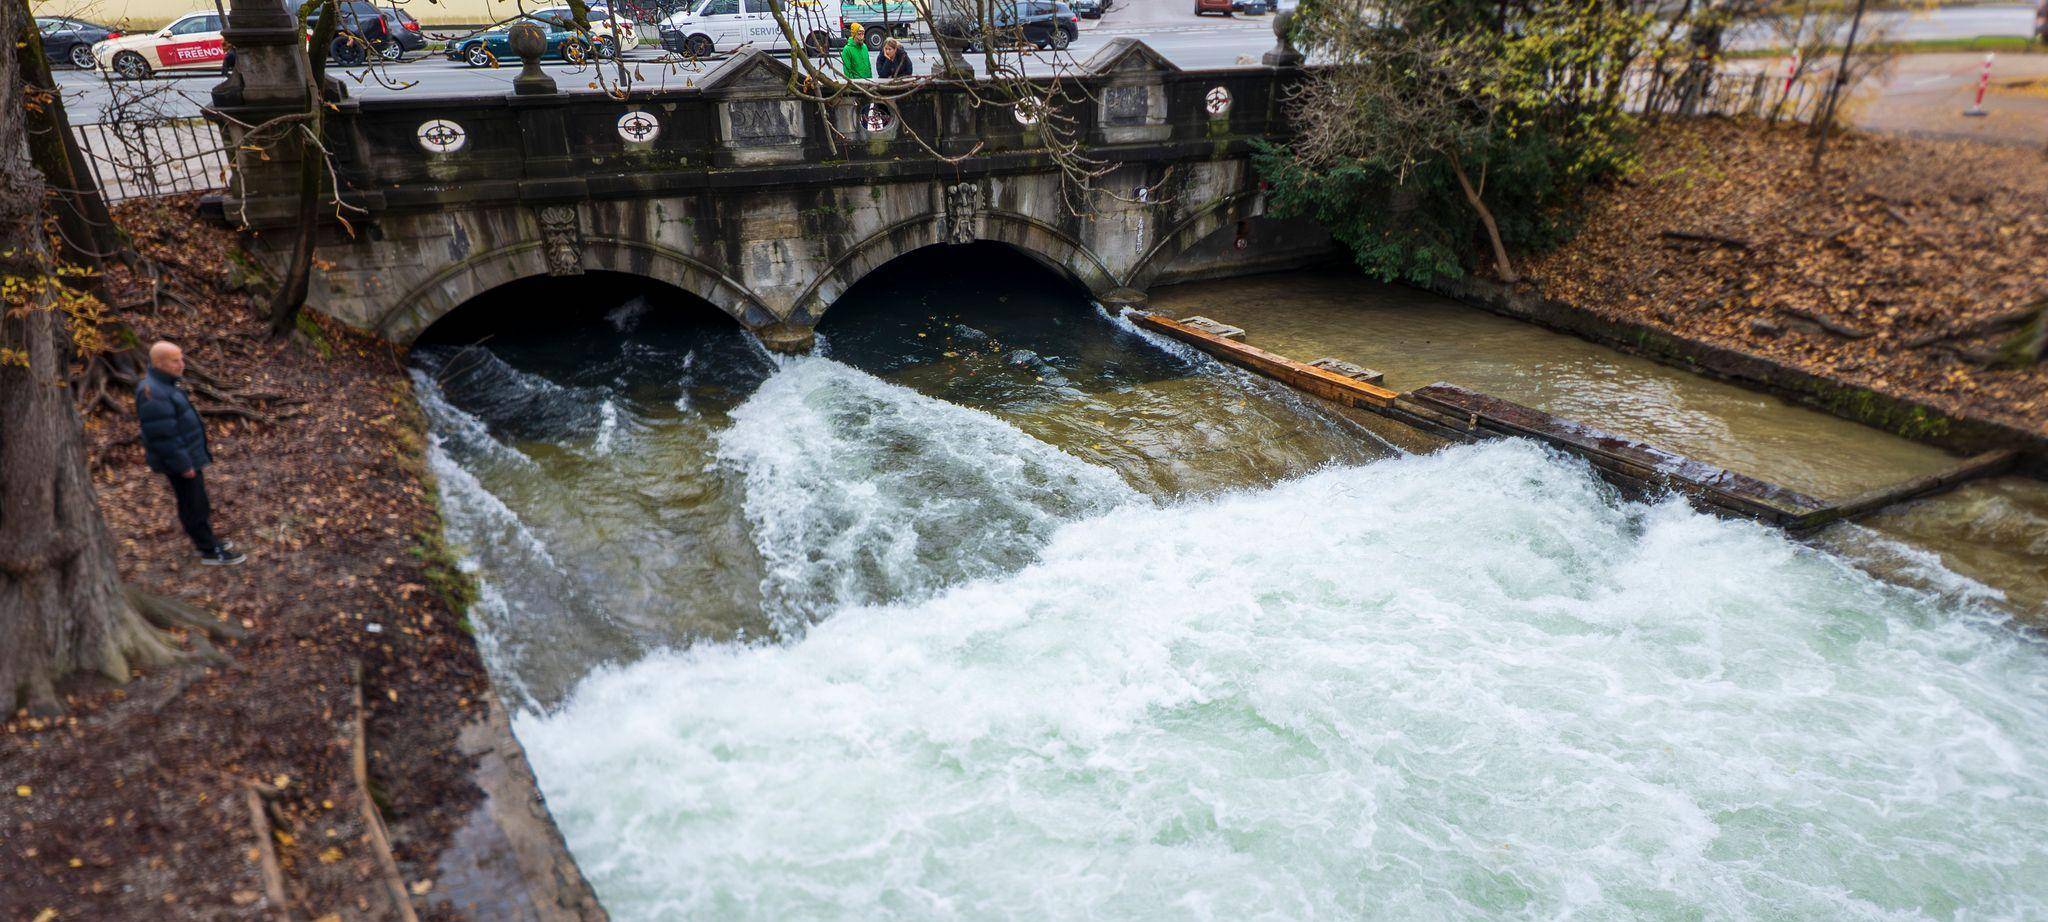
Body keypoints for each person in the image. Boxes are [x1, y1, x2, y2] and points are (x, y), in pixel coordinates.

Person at [136, 341, 244, 566]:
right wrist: (184, 464)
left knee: (198, 501)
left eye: (181, 359)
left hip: (187, 456)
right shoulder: (153, 392)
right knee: (193, 504)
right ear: (159, 363)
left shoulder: (166, 385)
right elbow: (163, 435)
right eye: (175, 361)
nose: (182, 365)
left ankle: (207, 540)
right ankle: (209, 550)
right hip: (179, 461)